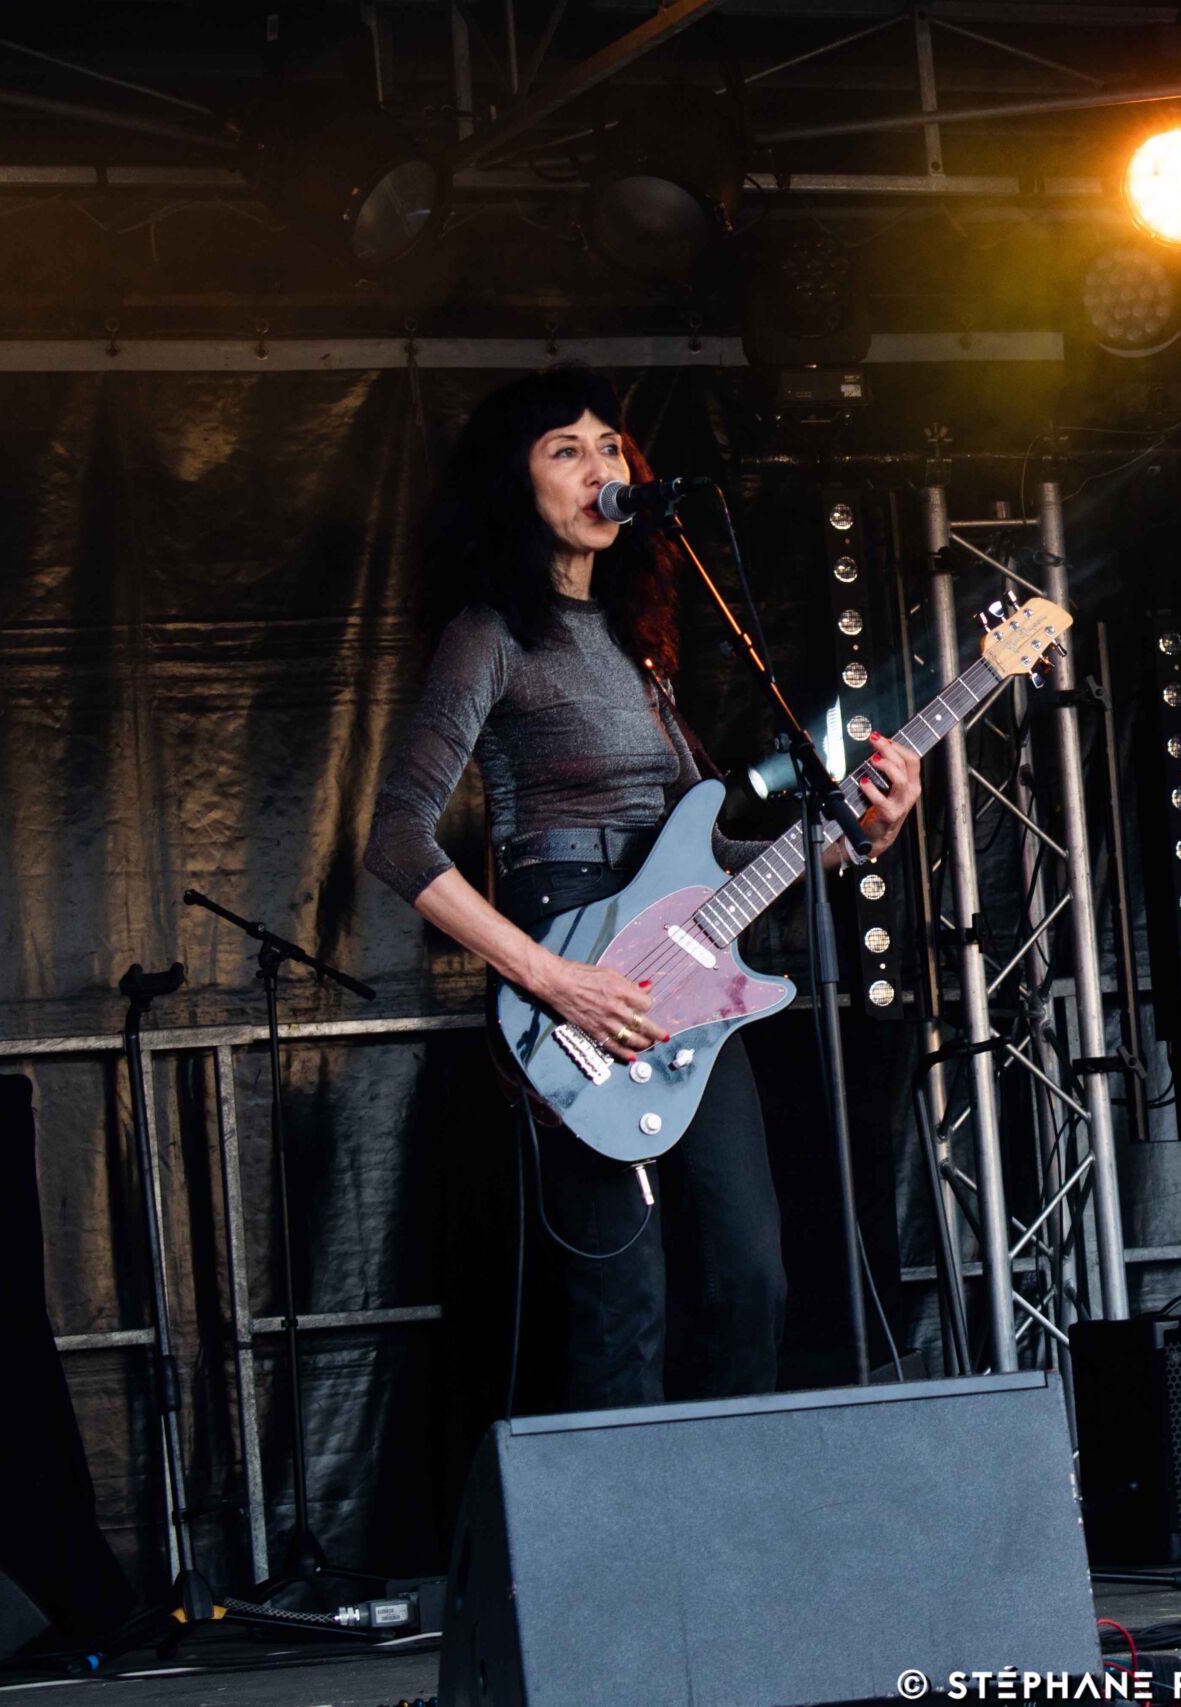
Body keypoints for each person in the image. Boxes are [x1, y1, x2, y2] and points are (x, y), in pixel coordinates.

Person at [362, 367, 920, 1407]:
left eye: (610, 446)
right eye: (564, 449)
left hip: (684, 979)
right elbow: (397, 838)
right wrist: (553, 983)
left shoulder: (640, 651)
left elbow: (722, 866)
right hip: (569, 964)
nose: (599, 468)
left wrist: (858, 840)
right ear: (513, 483)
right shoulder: (491, 634)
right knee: (625, 1302)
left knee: (753, 1275)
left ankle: (740, 1499)